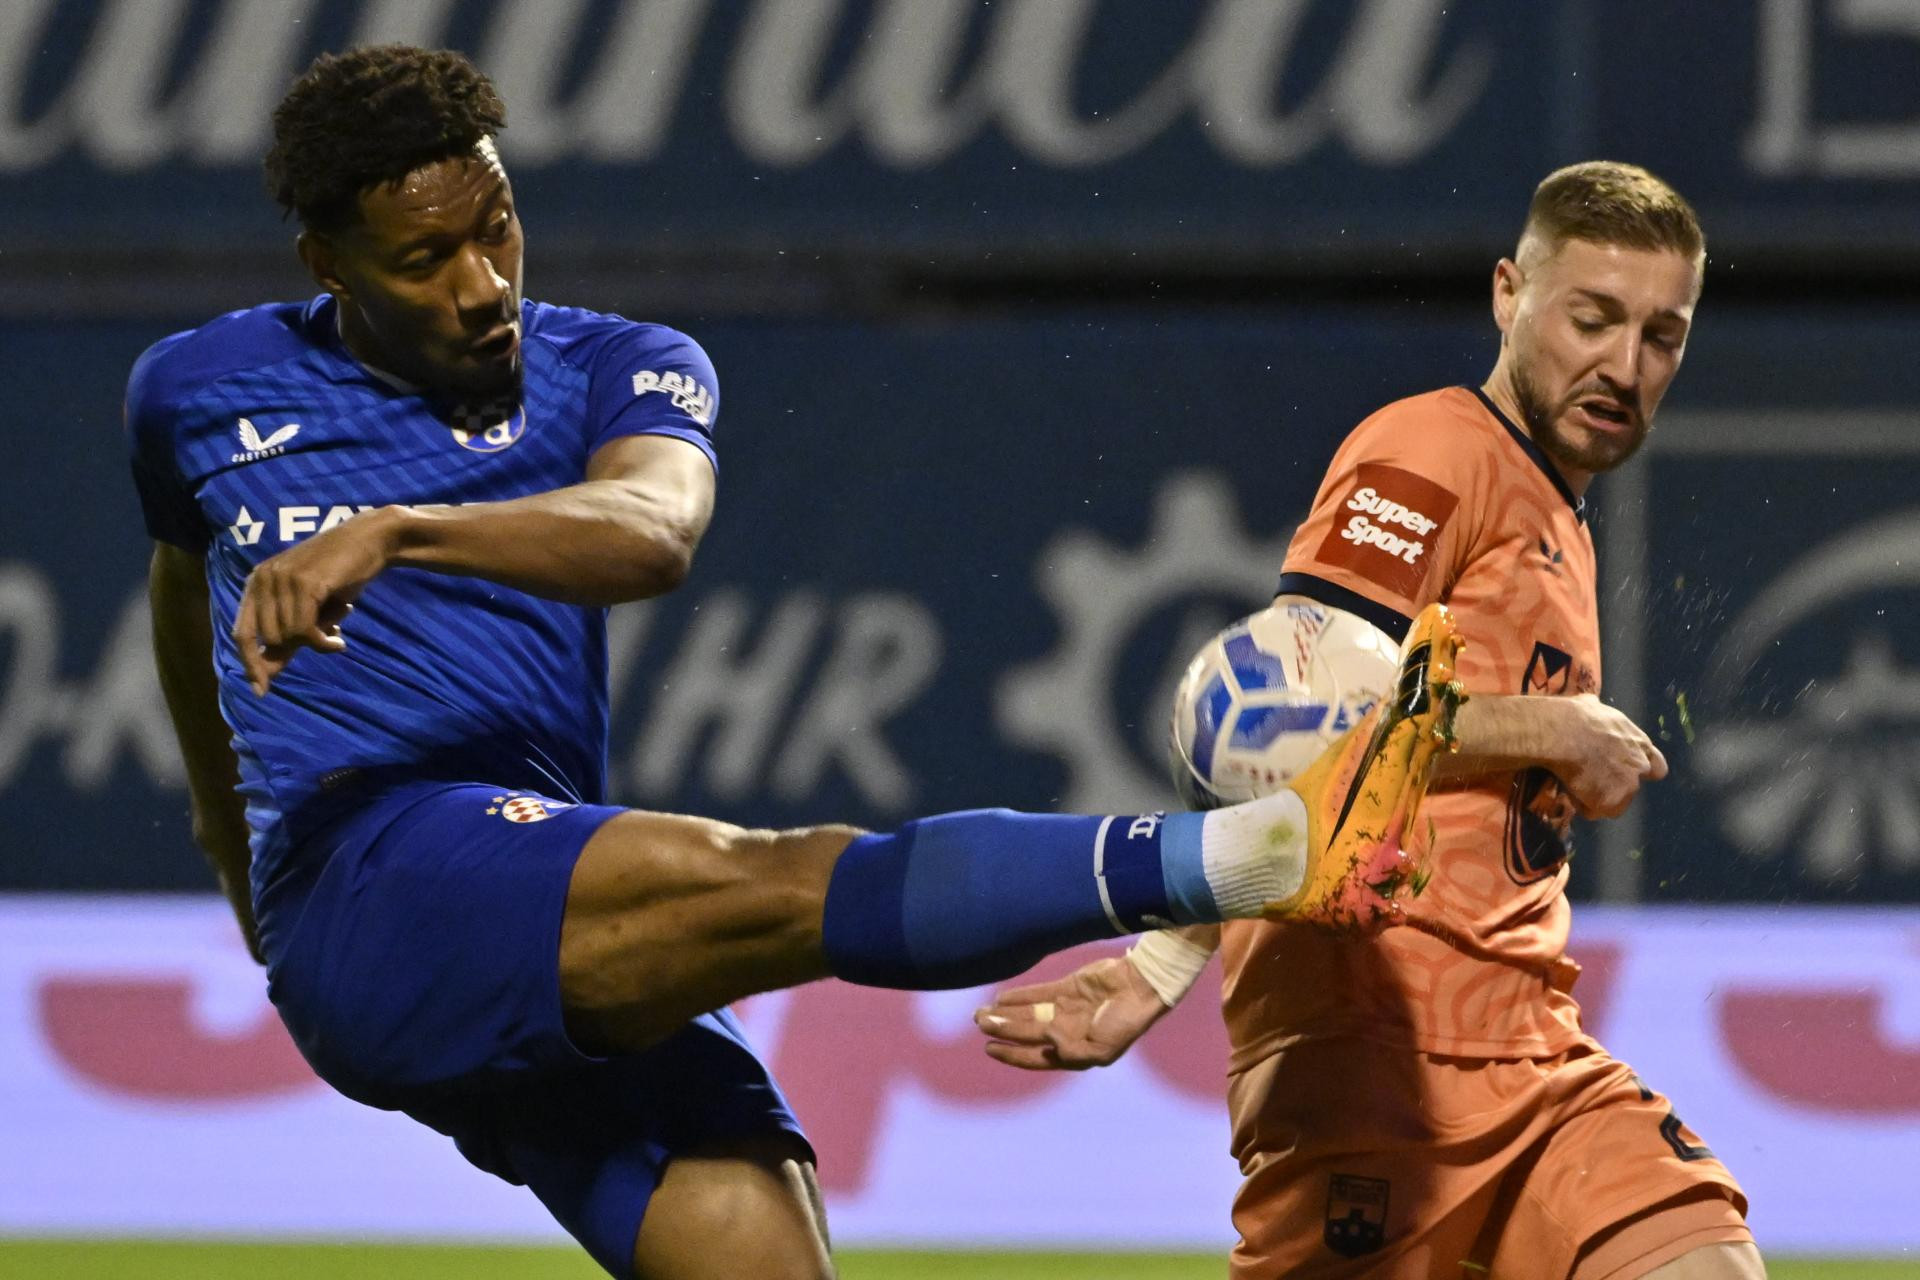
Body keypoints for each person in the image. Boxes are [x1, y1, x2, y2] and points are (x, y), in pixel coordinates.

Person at [130, 45, 1465, 1280]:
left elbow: (652, 529)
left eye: (498, 227)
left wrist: (402, 530)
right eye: (426, 259)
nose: (483, 284)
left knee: (764, 1255)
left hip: (535, 906)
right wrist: (228, 845)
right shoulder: (195, 391)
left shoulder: (615, 366)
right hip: (367, 881)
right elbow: (185, 596)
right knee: (769, 877)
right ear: (328, 263)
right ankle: (1252, 856)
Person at [977, 162, 1765, 1280]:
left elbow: (1319, 765)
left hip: (1530, 1053)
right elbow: (1295, 724)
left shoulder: (1553, 510)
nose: (1624, 366)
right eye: (1592, 319)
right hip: (1374, 1065)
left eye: (1661, 336)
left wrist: (1162, 962)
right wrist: (1556, 729)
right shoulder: (1433, 452)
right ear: (1509, 294)